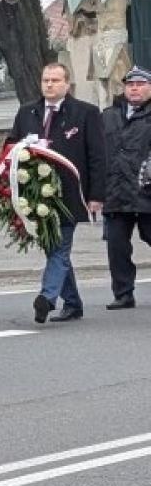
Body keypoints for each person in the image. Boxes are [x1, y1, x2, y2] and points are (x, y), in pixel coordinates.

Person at [7, 61, 105, 324]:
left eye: (55, 80)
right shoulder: (27, 112)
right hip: (36, 194)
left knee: (59, 246)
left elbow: (97, 156)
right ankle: (72, 303)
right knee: (54, 248)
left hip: (70, 194)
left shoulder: (86, 113)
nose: (49, 85)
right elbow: (11, 146)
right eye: (46, 80)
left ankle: (47, 297)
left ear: (67, 84)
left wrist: (97, 195)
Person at [99, 65, 151, 310]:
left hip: (146, 192)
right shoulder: (108, 115)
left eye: (140, 84)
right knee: (117, 247)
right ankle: (123, 293)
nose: (135, 89)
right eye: (130, 85)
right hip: (116, 192)